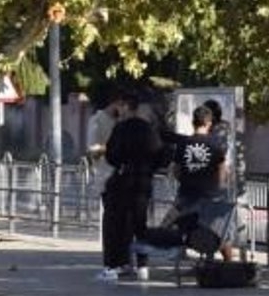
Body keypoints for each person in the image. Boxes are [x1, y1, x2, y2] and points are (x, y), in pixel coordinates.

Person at [154, 99, 238, 261]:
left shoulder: (183, 144)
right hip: (211, 196)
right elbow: (222, 170)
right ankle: (228, 263)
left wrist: (186, 179)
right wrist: (218, 187)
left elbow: (176, 170)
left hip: (187, 195)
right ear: (208, 123)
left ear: (193, 122)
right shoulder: (216, 144)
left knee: (178, 224)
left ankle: (173, 252)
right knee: (217, 232)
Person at [97, 89, 161, 281]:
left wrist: (123, 163)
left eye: (121, 106)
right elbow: (160, 154)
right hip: (143, 182)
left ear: (126, 107)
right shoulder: (148, 129)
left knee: (116, 224)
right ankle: (143, 265)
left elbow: (111, 155)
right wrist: (148, 168)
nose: (119, 109)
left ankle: (114, 265)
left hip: (123, 182)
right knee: (140, 225)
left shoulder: (121, 128)